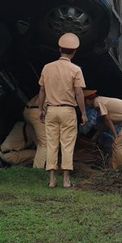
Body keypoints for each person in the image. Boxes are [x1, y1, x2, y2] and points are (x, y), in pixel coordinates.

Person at [37, 33, 87, 188]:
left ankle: (52, 180)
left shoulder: (47, 68)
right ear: (75, 52)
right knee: (67, 144)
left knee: (51, 144)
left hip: (51, 110)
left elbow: (42, 91)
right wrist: (83, 113)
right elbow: (79, 93)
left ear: (59, 49)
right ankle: (66, 180)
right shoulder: (76, 70)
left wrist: (40, 109)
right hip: (68, 111)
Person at [83, 90, 122, 169]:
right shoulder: (102, 100)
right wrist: (97, 134)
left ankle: (117, 171)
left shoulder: (97, 102)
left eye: (84, 103)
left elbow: (107, 120)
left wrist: (116, 136)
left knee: (117, 146)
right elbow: (105, 123)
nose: (85, 106)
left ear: (87, 101)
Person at [23, 95, 47, 168]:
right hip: (37, 112)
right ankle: (38, 169)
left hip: (28, 110)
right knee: (45, 143)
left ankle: (42, 163)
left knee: (39, 142)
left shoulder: (49, 83)